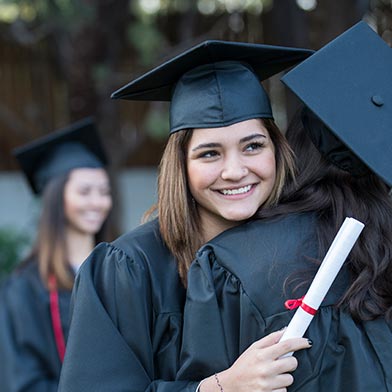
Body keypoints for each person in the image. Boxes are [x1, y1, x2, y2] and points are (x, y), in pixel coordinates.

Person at [58, 41, 314, 391]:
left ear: (277, 151)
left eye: (252, 146)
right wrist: (220, 387)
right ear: (181, 166)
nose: (235, 171)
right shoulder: (128, 271)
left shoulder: (306, 251)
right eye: (210, 154)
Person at [176, 21, 392, 391]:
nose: (234, 171)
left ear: (289, 145)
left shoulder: (228, 263)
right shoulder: (383, 246)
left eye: (253, 146)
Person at [0, 118, 113, 392]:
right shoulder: (25, 288)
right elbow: (22, 382)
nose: (97, 202)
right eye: (85, 191)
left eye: (104, 191)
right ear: (55, 197)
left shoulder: (119, 270)